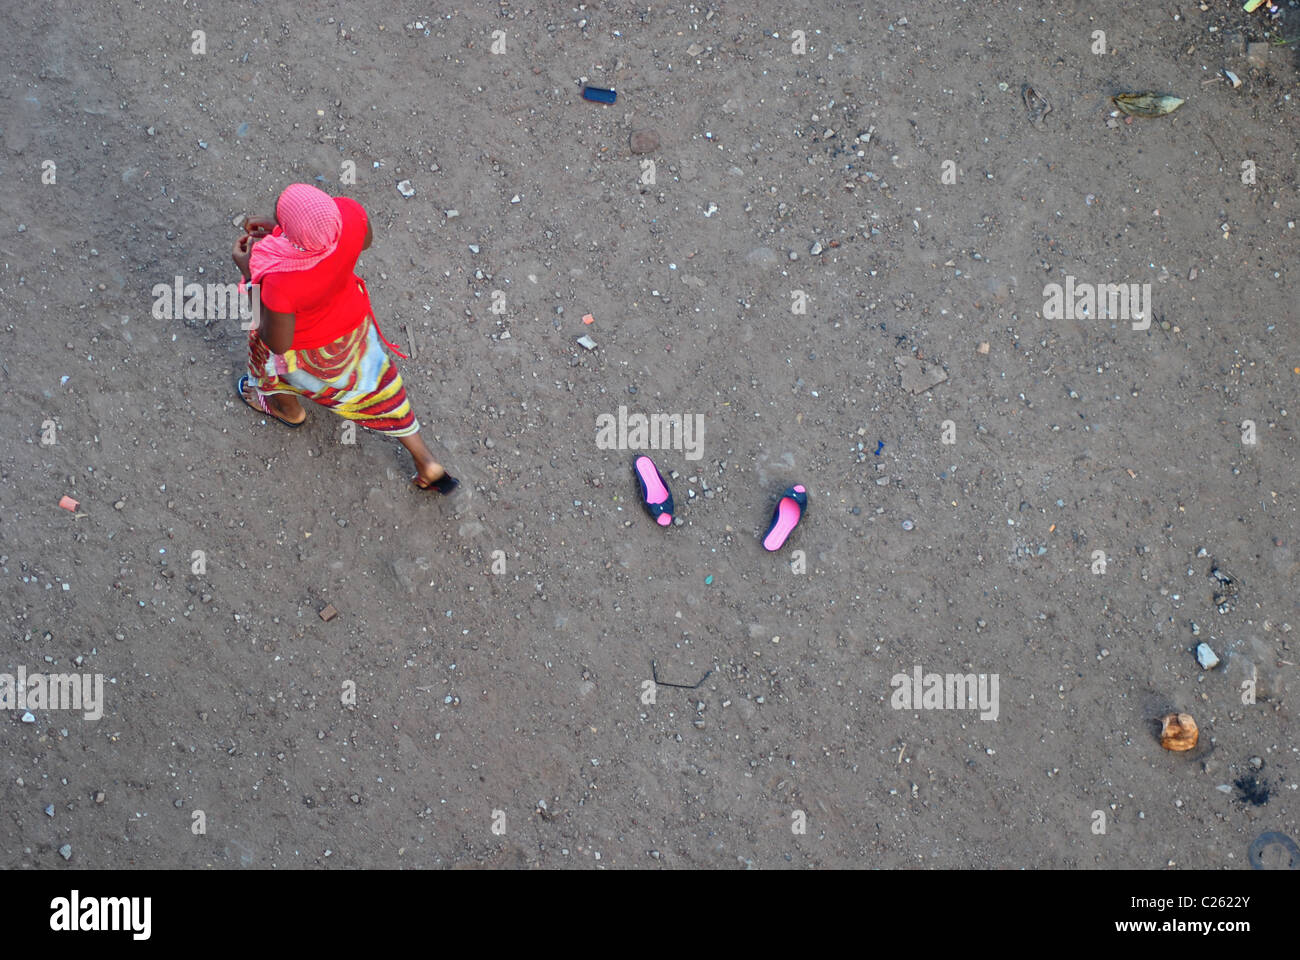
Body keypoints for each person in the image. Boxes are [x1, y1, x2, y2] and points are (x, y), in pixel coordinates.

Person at [232, 183, 458, 494]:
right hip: (354, 332)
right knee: (381, 391)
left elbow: (278, 344)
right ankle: (426, 460)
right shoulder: (349, 215)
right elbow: (362, 241)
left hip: (310, 352)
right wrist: (287, 235)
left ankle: (289, 411)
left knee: (272, 368)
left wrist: (250, 274)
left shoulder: (278, 284)